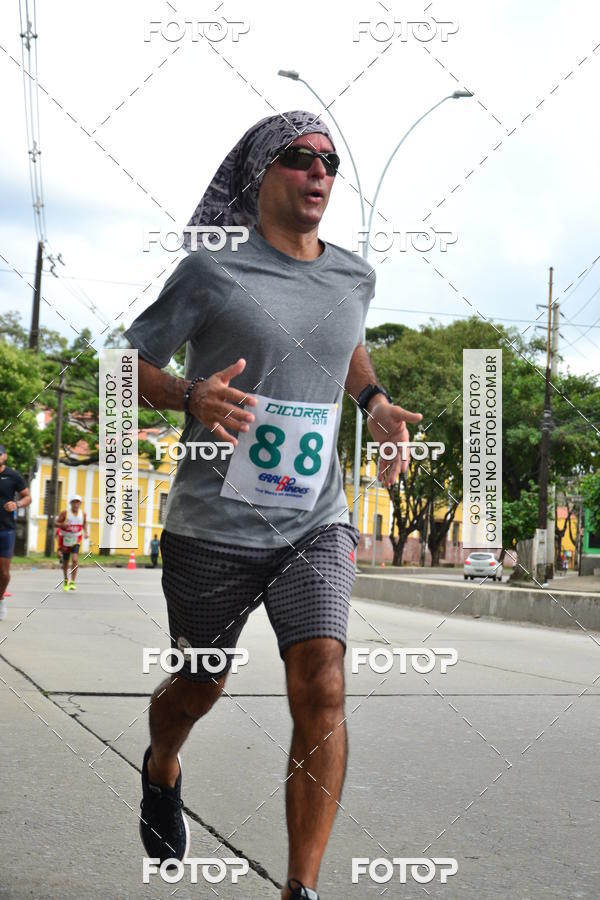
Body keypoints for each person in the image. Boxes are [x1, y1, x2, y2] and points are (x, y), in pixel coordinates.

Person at [124, 110, 421, 900]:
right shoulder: (211, 272)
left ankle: (301, 888)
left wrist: (375, 400)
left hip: (314, 519)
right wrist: (191, 394)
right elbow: (128, 366)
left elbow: (345, 338)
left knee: (323, 677)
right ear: (262, 174)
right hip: (213, 526)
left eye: (330, 161)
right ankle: (161, 765)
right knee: (198, 684)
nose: (320, 171)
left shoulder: (354, 275)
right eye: (300, 158)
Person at [0, 446, 31, 621]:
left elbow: (28, 497)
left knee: (3, 572)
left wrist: (17, 505)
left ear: (4, 456)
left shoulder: (13, 476)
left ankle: (0, 598)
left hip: (6, 528)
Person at [56, 495, 87, 591]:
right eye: (74, 502)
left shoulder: (83, 514)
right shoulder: (65, 513)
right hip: (65, 539)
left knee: (74, 559)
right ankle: (66, 579)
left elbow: (84, 523)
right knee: (65, 562)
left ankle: (73, 581)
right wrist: (62, 525)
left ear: (80, 504)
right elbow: (55, 523)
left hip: (76, 539)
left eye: (78, 502)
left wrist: (86, 532)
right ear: (71, 503)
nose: (76, 504)